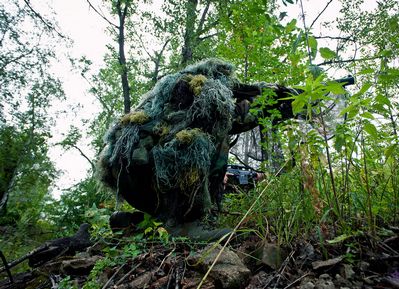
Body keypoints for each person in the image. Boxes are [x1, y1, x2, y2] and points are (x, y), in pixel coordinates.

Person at [97, 59, 292, 240]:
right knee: (205, 142)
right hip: (144, 173)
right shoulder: (208, 92)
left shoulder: (166, 95)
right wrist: (272, 105)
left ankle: (132, 222)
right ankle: (186, 224)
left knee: (188, 146)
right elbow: (237, 121)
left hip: (127, 177)